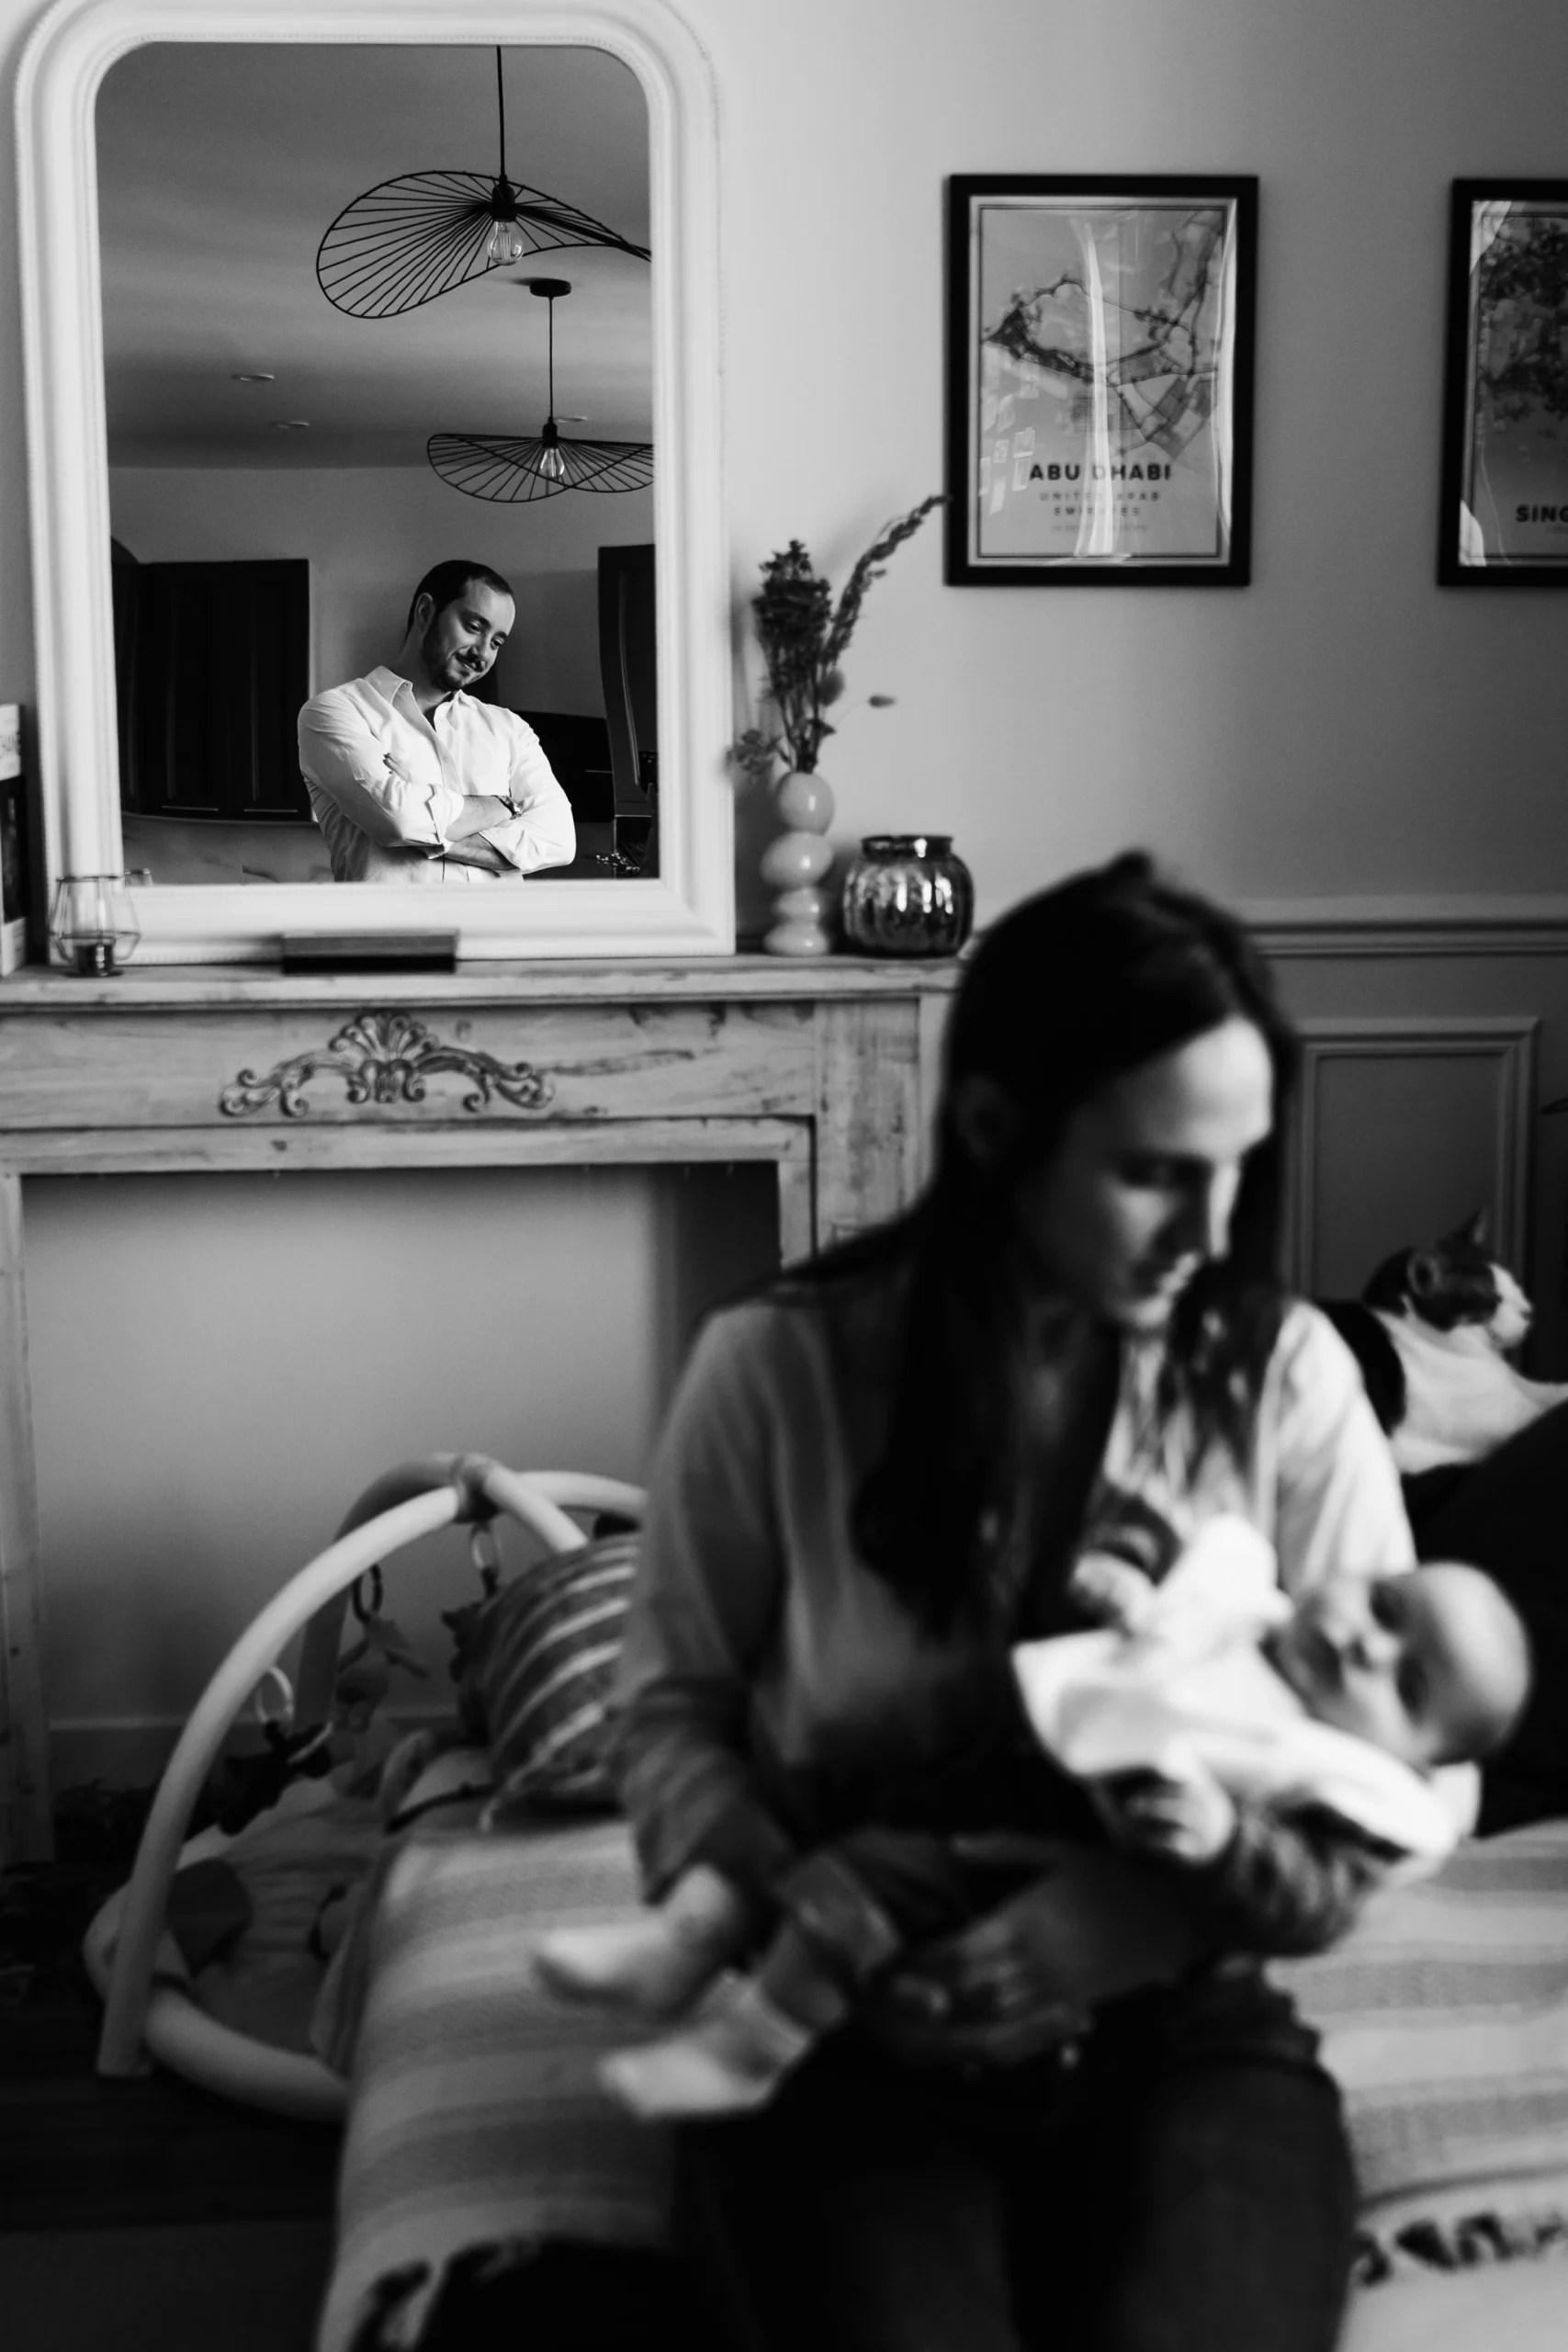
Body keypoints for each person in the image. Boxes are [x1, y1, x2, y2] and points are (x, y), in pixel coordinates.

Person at [585, 851, 1485, 2352]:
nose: (1210, 1236)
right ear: (999, 1130)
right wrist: (799, 1908)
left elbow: (1415, 1767)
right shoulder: (778, 1373)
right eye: (1152, 1173)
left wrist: (1137, 1918)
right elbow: (671, 1717)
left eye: (1237, 1173)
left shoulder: (1285, 1384)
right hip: (849, 2031)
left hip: (1182, 2021)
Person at [538, 1527, 1527, 2122]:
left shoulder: (1337, 1783)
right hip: (976, 1752)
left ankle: (750, 2047)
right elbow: (1120, 1577)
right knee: (797, 1783)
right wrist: (1114, 1582)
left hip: (1038, 1849)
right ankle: (687, 1939)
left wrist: (1227, 1844)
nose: (1362, 1640)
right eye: (1386, 1603)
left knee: (870, 1878)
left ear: (1414, 1760)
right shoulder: (1236, 1605)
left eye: (1404, 1682)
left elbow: (1312, 1900)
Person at [296, 559, 576, 884]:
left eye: (497, 642)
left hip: (495, 933)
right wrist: (503, 807)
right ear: (426, 611)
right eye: (474, 627)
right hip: (389, 934)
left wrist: (422, 815)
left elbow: (559, 841)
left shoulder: (509, 729)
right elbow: (397, 820)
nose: (483, 653)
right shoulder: (333, 712)